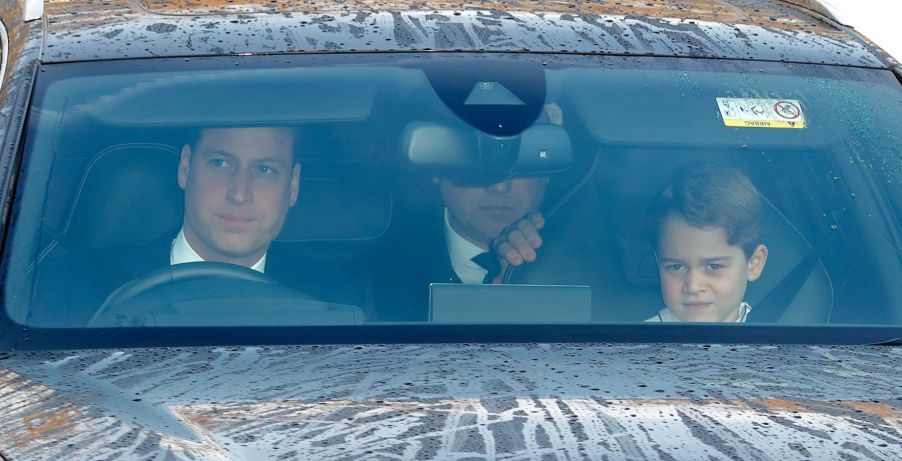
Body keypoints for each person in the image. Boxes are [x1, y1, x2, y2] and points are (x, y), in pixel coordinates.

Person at [31, 126, 364, 326]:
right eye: (220, 163)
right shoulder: (69, 287)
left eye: (264, 170)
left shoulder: (340, 303)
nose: (239, 193)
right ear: (185, 168)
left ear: (292, 187)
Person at [366, 175, 548, 321]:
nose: (499, 186)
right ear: (437, 168)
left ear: (548, 171)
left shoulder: (574, 271)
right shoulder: (370, 281)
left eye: (521, 165)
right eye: (475, 161)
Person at [644, 163, 768, 322]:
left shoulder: (781, 338)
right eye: (676, 267)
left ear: (754, 263)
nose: (693, 286)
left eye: (714, 266)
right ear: (658, 264)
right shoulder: (637, 342)